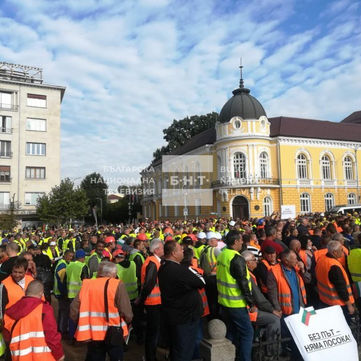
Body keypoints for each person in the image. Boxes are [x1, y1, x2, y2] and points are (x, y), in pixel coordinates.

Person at [70, 261, 132, 361]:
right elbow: (126, 311)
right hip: (113, 332)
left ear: (99, 273)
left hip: (93, 334)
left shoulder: (87, 284)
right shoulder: (117, 284)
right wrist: (128, 321)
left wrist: (80, 323)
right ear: (113, 273)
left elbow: (74, 309)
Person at [158, 241, 205, 361]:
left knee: (178, 348)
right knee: (184, 350)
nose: (183, 251)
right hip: (184, 317)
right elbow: (200, 282)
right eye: (180, 249)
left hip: (176, 315)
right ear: (174, 253)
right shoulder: (178, 269)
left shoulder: (164, 266)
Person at [216, 230, 255, 361]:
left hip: (224, 301)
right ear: (235, 242)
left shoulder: (223, 254)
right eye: (240, 240)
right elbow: (243, 282)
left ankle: (228, 357)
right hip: (236, 303)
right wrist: (251, 303)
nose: (242, 242)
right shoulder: (236, 258)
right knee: (247, 333)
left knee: (231, 331)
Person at [3, 279, 64, 361]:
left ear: (26, 292)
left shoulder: (11, 311)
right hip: (42, 357)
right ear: (41, 294)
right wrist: (59, 355)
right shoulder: (45, 310)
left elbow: (7, 336)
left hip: (20, 356)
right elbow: (52, 336)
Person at [241, 250, 281, 359]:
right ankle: (271, 352)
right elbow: (258, 298)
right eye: (254, 260)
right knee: (274, 319)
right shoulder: (248, 276)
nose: (256, 262)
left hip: (247, 309)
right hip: (250, 311)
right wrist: (272, 310)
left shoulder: (247, 274)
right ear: (247, 263)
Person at [137, 239, 164, 361]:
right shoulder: (152, 263)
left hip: (155, 302)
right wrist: (142, 300)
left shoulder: (154, 261)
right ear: (157, 250)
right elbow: (149, 284)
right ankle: (150, 357)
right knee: (153, 332)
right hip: (153, 303)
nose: (164, 250)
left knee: (154, 331)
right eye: (162, 248)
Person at [315, 240, 355, 323]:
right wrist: (349, 305)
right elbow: (341, 288)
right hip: (338, 304)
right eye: (341, 250)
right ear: (334, 252)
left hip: (325, 301)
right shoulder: (334, 266)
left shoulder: (321, 259)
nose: (343, 252)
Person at [53, 250, 74, 336]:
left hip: (60, 292)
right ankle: (62, 331)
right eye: (69, 256)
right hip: (61, 293)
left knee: (63, 312)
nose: (70, 258)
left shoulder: (63, 264)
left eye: (72, 256)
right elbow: (62, 281)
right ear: (64, 256)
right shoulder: (62, 265)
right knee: (63, 312)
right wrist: (65, 293)